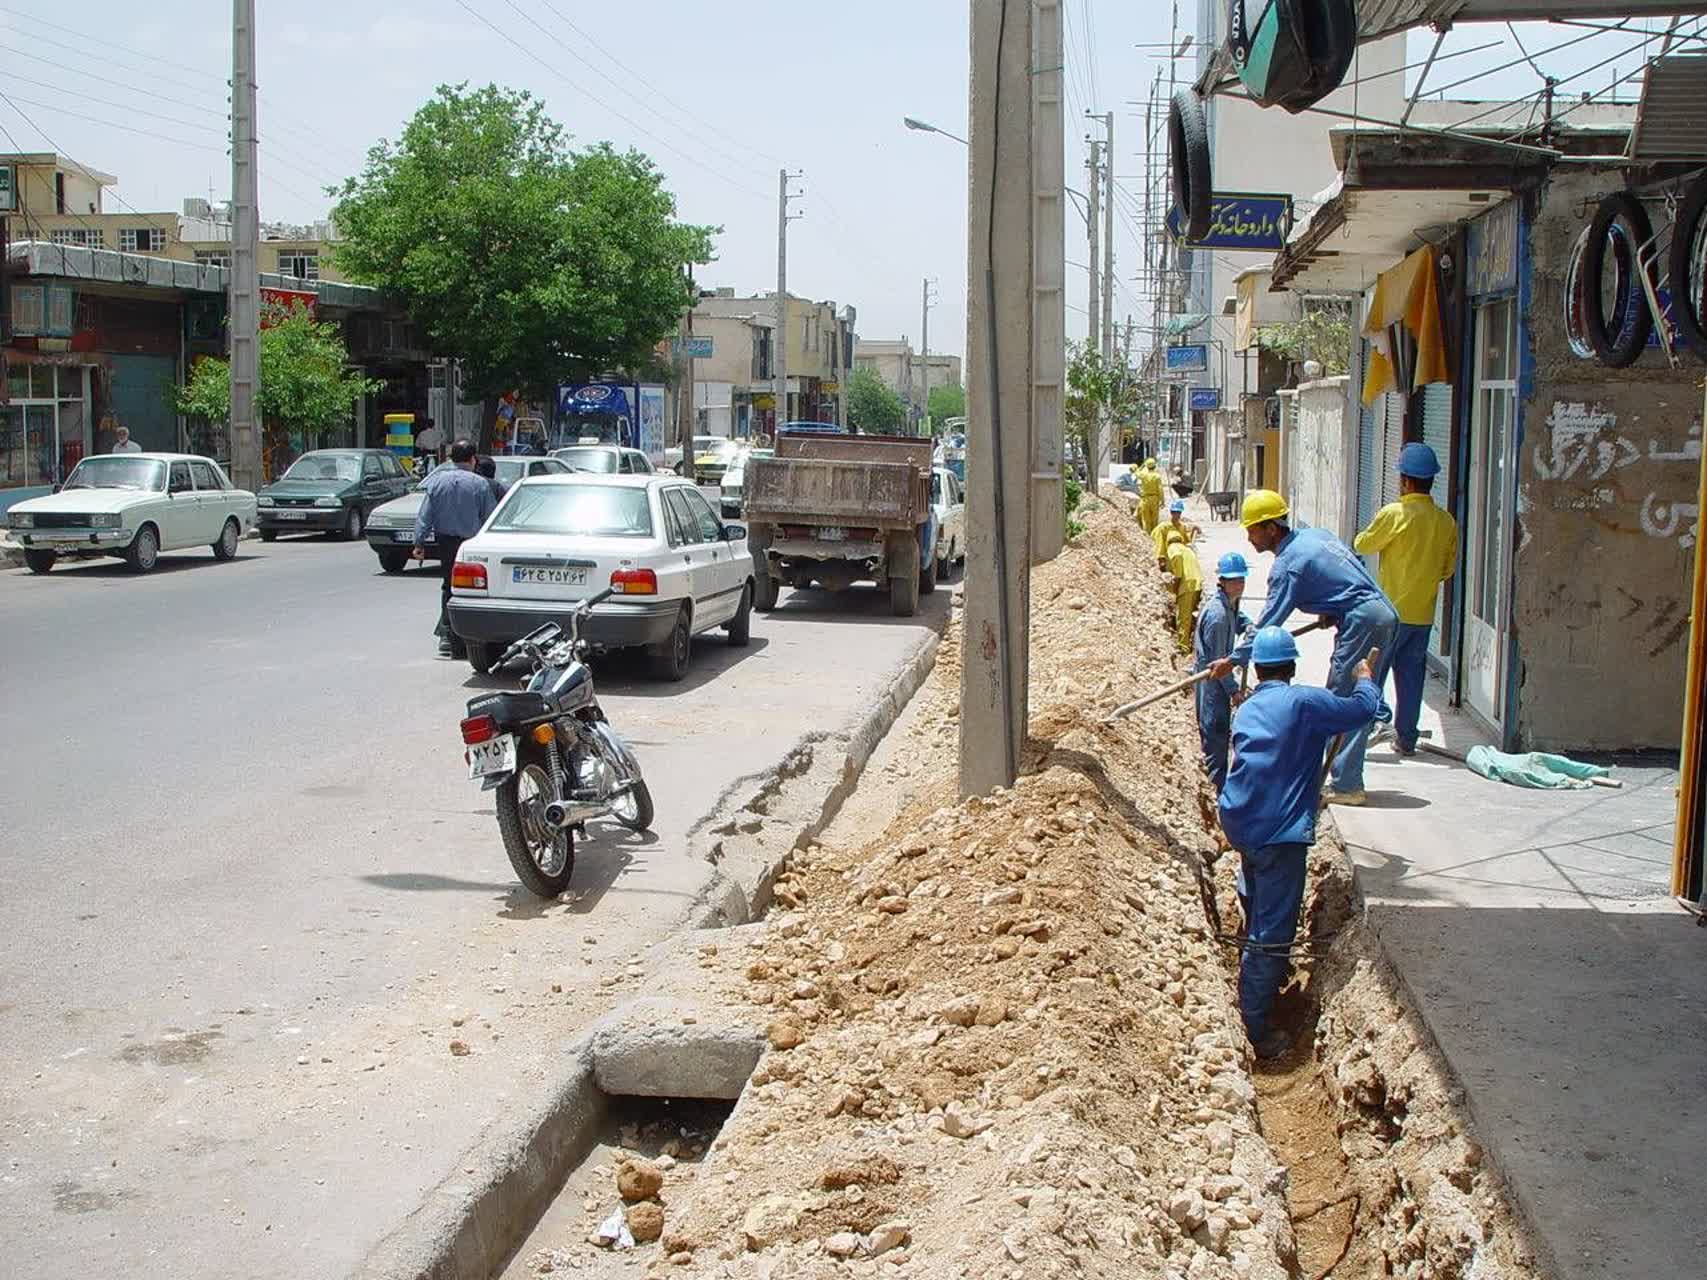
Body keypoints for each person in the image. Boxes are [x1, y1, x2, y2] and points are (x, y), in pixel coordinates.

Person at [1218, 626, 1382, 1058]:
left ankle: (1259, 962)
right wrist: (1365, 677)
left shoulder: (1249, 707)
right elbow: (1365, 710)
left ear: (1260, 667)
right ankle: (1255, 1026)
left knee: (1257, 887)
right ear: (1291, 666)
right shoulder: (1305, 701)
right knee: (1273, 931)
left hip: (1240, 819)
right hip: (1277, 829)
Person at [1208, 490, 1397, 806]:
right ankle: (1351, 770)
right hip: (1382, 614)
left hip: (1363, 620)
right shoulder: (1314, 536)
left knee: (1343, 697)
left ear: (1272, 528)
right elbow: (1347, 573)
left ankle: (1347, 784)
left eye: (1253, 529)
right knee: (1362, 691)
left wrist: (1233, 659)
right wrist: (1331, 608)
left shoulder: (1288, 566)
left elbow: (1269, 623)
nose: (1249, 537)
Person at [1353, 443, 1458, 756]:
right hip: (1422, 615)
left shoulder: (1394, 514)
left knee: (1372, 677)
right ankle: (1406, 739)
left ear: (1405, 481)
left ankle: (1362, 735)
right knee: (1411, 680)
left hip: (1389, 614)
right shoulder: (1445, 521)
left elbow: (1363, 544)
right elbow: (1447, 569)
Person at [413, 440, 497, 658]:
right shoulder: (480, 484)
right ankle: (470, 637)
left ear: (451, 459)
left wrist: (419, 543)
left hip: (446, 542)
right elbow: (490, 517)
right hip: (472, 545)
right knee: (474, 591)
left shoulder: (437, 483)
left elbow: (425, 515)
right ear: (473, 459)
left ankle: (448, 638)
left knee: (448, 587)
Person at [1194, 552, 1252, 792]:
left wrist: (1248, 626)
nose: (1239, 584)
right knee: (1216, 737)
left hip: (1216, 678)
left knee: (1219, 735)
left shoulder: (1229, 603)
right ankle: (1216, 791)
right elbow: (1220, 666)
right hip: (1212, 685)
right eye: (1234, 580)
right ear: (1223, 581)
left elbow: (1237, 618)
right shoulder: (1217, 616)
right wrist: (1234, 692)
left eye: (1242, 579)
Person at [1164, 535, 1202, 655]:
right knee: (1190, 616)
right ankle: (1193, 643)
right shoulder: (1186, 549)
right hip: (1196, 583)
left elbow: (1177, 558)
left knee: (1183, 618)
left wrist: (1176, 584)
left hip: (1187, 585)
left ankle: (1183, 648)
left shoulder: (1173, 547)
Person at [1153, 498, 1196, 568]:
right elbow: (1158, 541)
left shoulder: (1181, 527)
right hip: (1168, 553)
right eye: (1174, 512)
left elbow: (1186, 541)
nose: (1176, 515)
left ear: (1180, 513)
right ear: (1171, 513)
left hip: (1179, 553)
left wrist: (1193, 531)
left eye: (1178, 513)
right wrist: (1161, 557)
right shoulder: (1163, 527)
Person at [1136, 457, 1164, 532]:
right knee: (1154, 520)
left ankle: (1147, 539)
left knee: (1146, 520)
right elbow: (1160, 489)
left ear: (1147, 466)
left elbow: (1136, 472)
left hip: (1145, 499)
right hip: (1155, 499)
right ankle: (1154, 536)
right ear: (1154, 466)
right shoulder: (1157, 476)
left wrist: (1142, 465)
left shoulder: (1143, 475)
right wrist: (1162, 501)